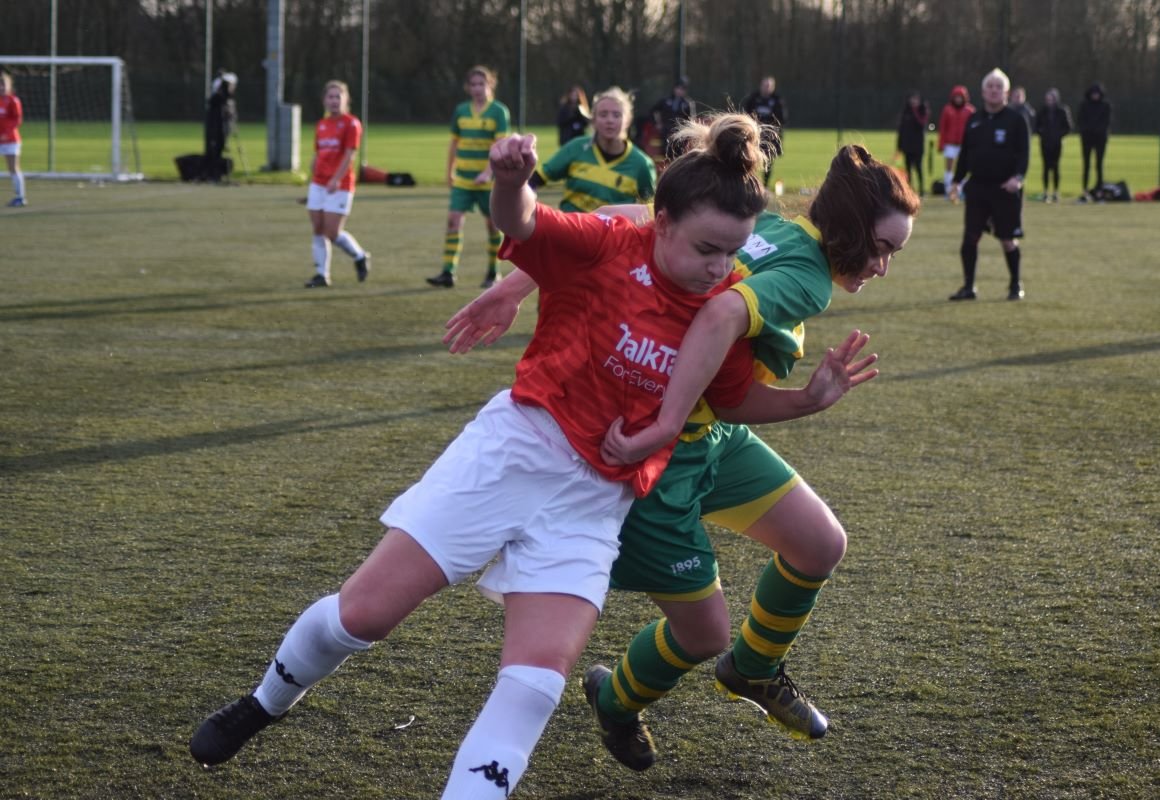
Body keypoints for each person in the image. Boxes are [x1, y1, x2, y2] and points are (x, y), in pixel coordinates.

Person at [190, 115, 801, 799]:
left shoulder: (724, 305)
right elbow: (529, 220)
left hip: (599, 499)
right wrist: (510, 181)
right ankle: (265, 701)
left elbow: (737, 396)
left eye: (734, 252)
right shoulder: (606, 246)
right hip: (515, 451)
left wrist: (813, 397)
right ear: (660, 222)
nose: (722, 267)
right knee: (363, 615)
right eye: (707, 248)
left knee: (535, 687)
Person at [445, 142, 919, 771]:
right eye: (883, 248)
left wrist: (515, 286)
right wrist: (670, 418)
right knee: (704, 634)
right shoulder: (806, 277)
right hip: (663, 459)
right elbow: (723, 311)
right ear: (853, 229)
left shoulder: (773, 223)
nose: (883, 266)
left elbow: (624, 214)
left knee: (820, 544)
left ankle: (753, 670)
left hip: (713, 437)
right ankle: (614, 699)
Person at [948, 68, 1029, 302]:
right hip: (977, 189)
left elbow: (1024, 153)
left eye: (998, 87)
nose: (994, 90)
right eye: (989, 86)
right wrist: (956, 181)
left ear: (1006, 92)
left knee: (1007, 239)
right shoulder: (974, 120)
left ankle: (1015, 284)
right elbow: (965, 155)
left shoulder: (1016, 120)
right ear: (983, 92)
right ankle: (969, 287)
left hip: (1005, 189)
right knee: (970, 239)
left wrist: (1018, 178)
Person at [427, 66, 511, 290]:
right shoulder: (461, 111)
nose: (476, 89)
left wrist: (487, 172)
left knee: (493, 226)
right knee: (453, 221)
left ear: (490, 85)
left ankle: (494, 272)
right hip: (463, 179)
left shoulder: (499, 112)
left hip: (488, 182)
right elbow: (454, 143)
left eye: (481, 84)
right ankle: (448, 272)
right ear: (467, 87)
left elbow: (499, 145)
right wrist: (449, 171)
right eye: (473, 84)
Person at [533, 86, 656, 213]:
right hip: (570, 231)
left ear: (628, 120)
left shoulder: (642, 164)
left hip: (613, 233)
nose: (610, 120)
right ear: (593, 120)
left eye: (616, 115)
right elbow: (538, 177)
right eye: (603, 114)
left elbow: (651, 211)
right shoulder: (576, 147)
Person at [303, 80, 371, 288]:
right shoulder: (321, 124)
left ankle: (359, 256)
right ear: (324, 100)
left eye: (337, 96)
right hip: (318, 184)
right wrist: (311, 180)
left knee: (331, 232)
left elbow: (350, 154)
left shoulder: (351, 123)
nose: (333, 101)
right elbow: (318, 153)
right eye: (330, 97)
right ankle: (321, 275)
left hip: (340, 185)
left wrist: (336, 179)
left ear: (346, 100)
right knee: (317, 229)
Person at [740, 76, 787, 185]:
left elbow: (782, 119)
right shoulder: (753, 98)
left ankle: (765, 185)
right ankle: (750, 184)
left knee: (768, 161)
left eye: (769, 86)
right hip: (754, 134)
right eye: (765, 85)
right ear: (761, 86)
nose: (767, 88)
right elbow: (745, 115)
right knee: (750, 159)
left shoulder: (777, 100)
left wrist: (774, 131)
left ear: (773, 87)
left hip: (770, 136)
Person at [1034, 88, 1073, 202]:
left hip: (1057, 144)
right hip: (1045, 143)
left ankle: (1055, 192)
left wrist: (1059, 135)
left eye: (1051, 98)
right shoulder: (1042, 111)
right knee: (1045, 167)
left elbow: (1068, 127)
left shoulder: (1062, 111)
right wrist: (1043, 134)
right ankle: (1046, 192)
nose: (1049, 101)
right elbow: (1036, 126)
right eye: (1047, 99)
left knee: (1056, 167)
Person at [936, 85, 974, 197]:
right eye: (956, 97)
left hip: (964, 144)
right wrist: (941, 143)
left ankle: (961, 190)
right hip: (950, 143)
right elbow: (943, 127)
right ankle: (948, 189)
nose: (958, 99)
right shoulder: (947, 109)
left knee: (964, 167)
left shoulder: (970, 110)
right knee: (949, 168)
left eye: (960, 97)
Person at [1077, 82, 1112, 201]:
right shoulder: (1084, 105)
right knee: (1086, 165)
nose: (1095, 96)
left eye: (1097, 94)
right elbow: (1080, 121)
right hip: (1087, 139)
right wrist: (1086, 131)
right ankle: (1085, 190)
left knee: (1099, 165)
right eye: (1093, 94)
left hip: (1100, 139)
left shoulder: (1105, 106)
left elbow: (1106, 122)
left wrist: (1098, 131)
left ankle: (1099, 191)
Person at [204, 71, 237, 182]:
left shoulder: (228, 100)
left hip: (223, 130)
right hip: (216, 131)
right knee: (214, 151)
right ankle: (213, 174)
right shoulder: (217, 99)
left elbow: (230, 115)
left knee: (219, 151)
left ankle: (217, 174)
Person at [652, 79, 696, 161]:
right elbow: (654, 110)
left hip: (680, 131)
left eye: (682, 89)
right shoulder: (666, 100)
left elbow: (691, 119)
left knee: (678, 151)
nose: (679, 91)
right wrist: (658, 123)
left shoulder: (687, 103)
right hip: (666, 130)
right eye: (678, 88)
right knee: (666, 150)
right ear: (674, 88)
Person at [1, 70, 27, 208]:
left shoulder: (13, 100)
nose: (1, 87)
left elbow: (17, 120)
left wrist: (6, 132)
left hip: (11, 140)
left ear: (9, 86)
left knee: (13, 168)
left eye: (3, 84)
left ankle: (20, 197)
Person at [896, 90, 929, 195]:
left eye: (916, 99)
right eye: (912, 99)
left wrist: (915, 112)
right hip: (907, 145)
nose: (914, 101)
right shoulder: (905, 112)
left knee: (918, 167)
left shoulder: (923, 111)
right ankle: (909, 188)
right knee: (908, 168)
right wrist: (899, 146)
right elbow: (901, 130)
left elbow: (921, 124)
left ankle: (921, 189)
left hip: (918, 145)